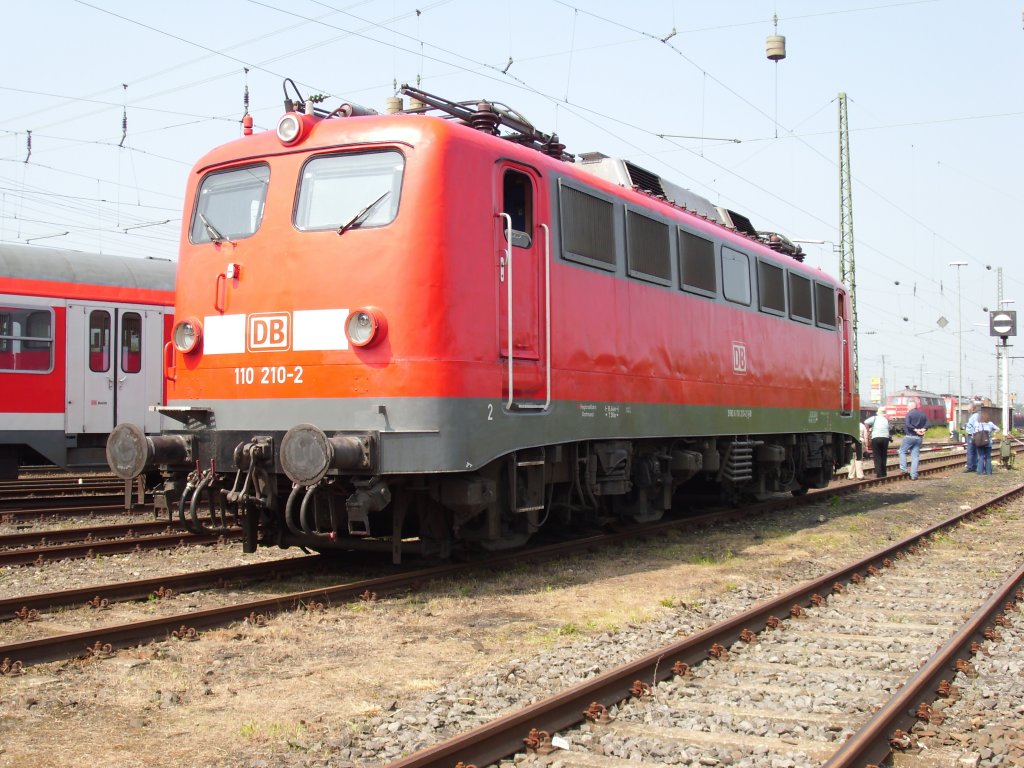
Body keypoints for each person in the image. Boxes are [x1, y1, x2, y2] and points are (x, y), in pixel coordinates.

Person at [899, 405, 928, 480]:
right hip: (919, 438)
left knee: (902, 451)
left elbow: (908, 424)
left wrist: (915, 430)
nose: (907, 407)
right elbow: (928, 424)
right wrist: (923, 429)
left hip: (909, 436)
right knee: (915, 456)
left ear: (911, 407)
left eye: (908, 406)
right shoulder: (922, 414)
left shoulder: (909, 414)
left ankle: (903, 469)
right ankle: (914, 475)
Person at [863, 407, 891, 477]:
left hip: (876, 438)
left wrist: (868, 430)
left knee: (877, 455)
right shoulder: (886, 420)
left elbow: (866, 422)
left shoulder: (874, 418)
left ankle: (879, 473)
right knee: (883, 455)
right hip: (885, 438)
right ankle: (884, 473)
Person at [963, 405, 980, 473]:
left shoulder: (975, 416)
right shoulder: (975, 416)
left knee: (970, 451)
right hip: (974, 434)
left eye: (968, 408)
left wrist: (973, 434)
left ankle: (970, 466)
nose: (967, 410)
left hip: (972, 435)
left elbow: (976, 425)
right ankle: (974, 465)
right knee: (975, 451)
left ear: (972, 409)